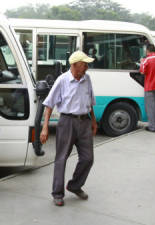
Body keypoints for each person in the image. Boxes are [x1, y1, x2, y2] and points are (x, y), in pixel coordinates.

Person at [40, 51, 97, 207]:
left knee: (88, 158)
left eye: (86, 64)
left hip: (84, 122)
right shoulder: (62, 80)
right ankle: (57, 193)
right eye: (83, 64)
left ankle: (75, 185)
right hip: (67, 122)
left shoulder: (87, 79)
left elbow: (90, 102)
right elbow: (49, 104)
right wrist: (45, 127)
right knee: (61, 158)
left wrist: (93, 121)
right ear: (74, 65)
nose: (86, 66)